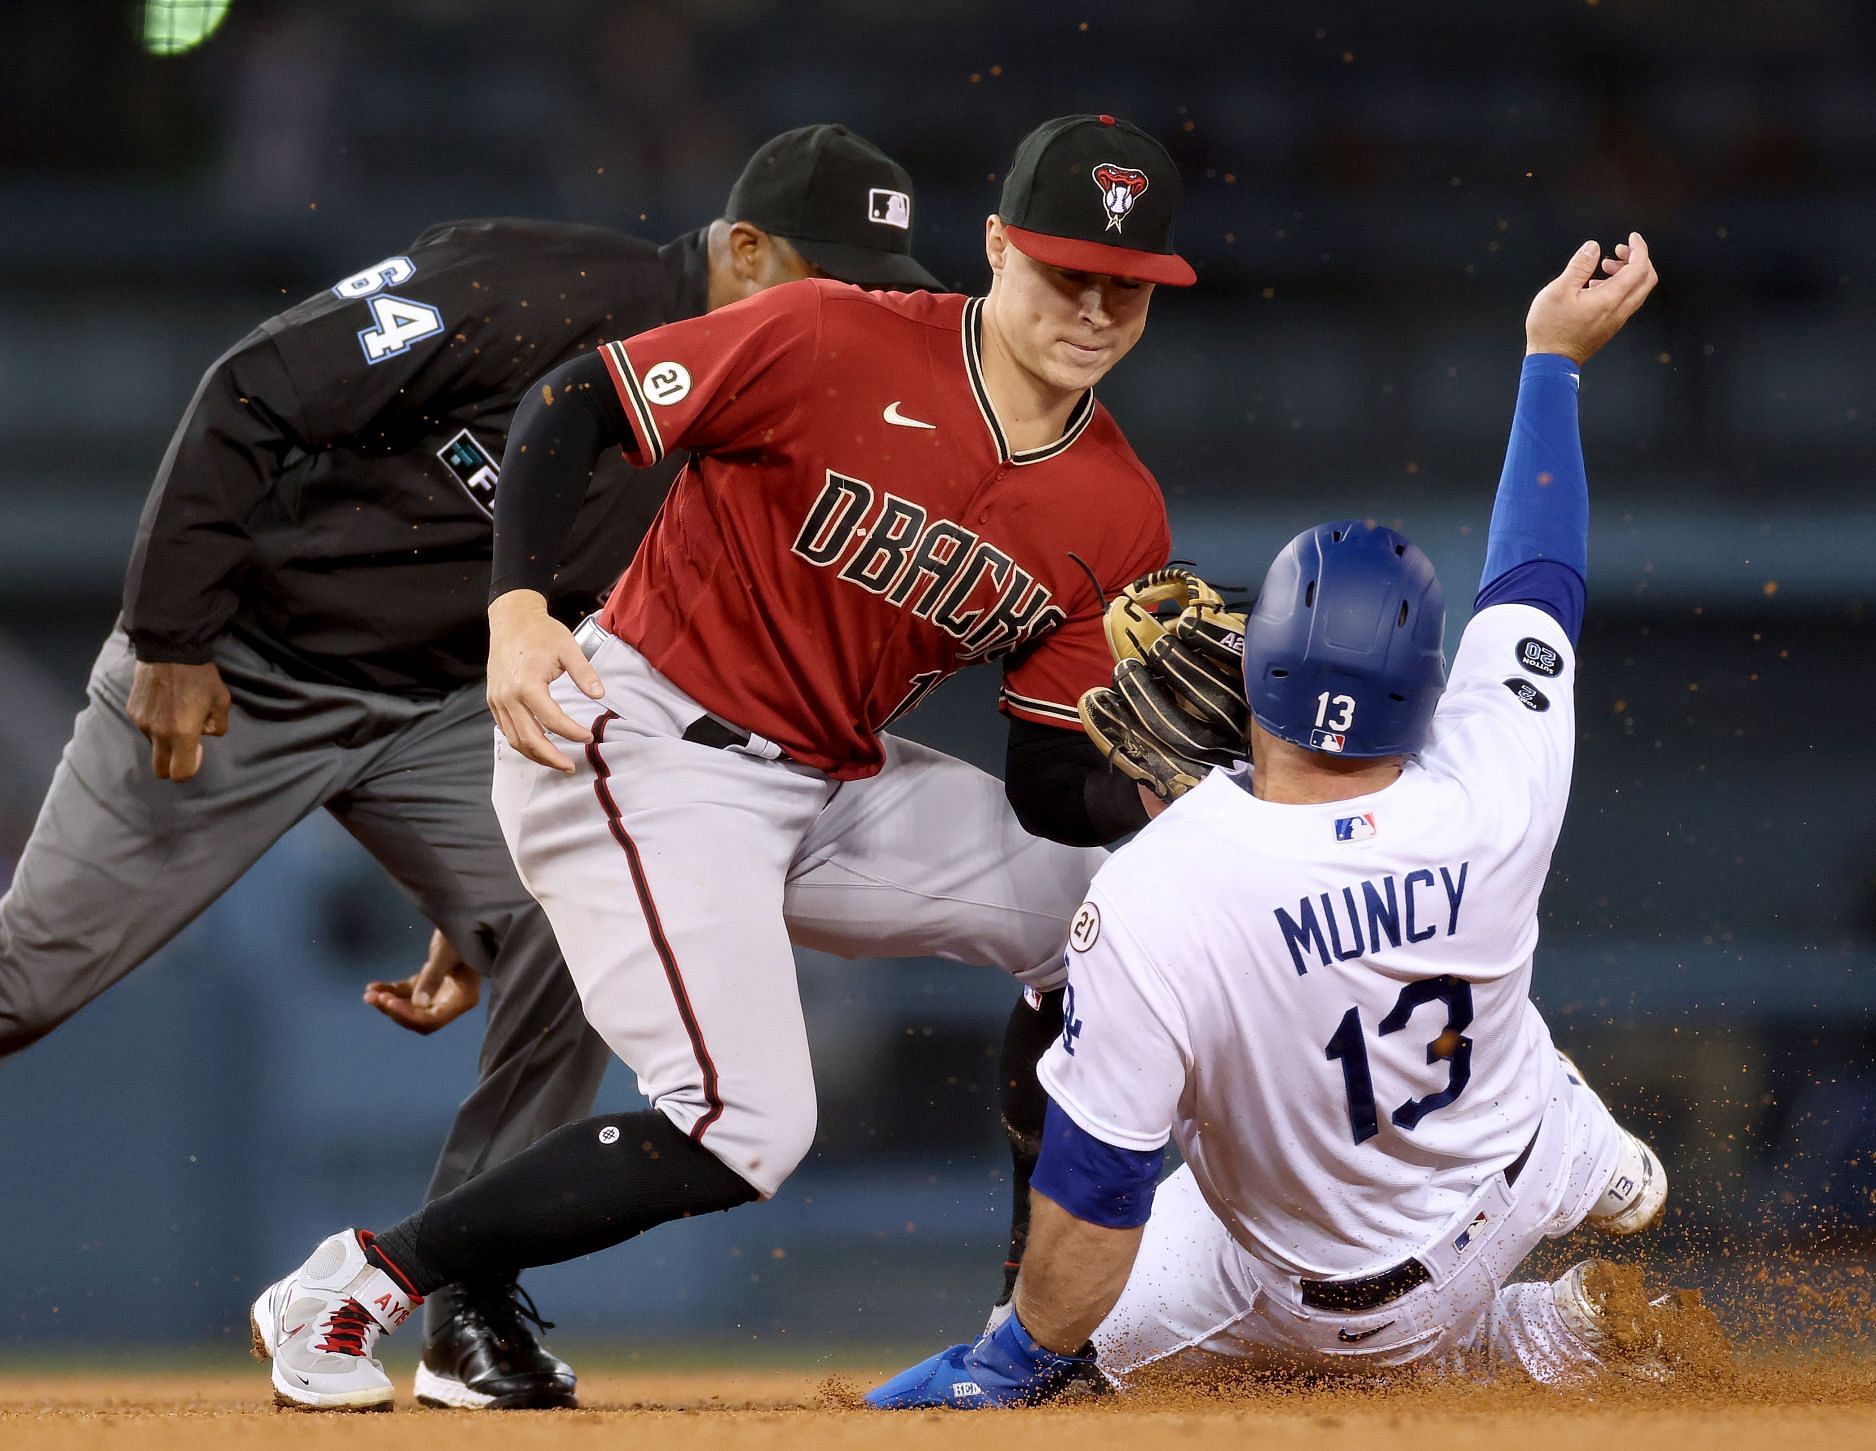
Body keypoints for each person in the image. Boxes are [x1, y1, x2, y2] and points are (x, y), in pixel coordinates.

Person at [248, 112, 1200, 1412]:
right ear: (994, 249)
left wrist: (1163, 786)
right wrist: (519, 608)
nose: (1094, 305)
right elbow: (570, 401)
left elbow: (1048, 785)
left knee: (1109, 926)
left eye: (1127, 283)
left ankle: (1031, 1341)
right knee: (745, 1120)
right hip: (641, 736)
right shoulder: (833, 332)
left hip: (827, 779)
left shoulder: (1116, 507)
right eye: (1064, 269)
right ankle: (359, 1276)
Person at [0, 123, 939, 1411]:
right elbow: (249, 387)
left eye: (877, 285)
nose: (855, 307)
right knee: (27, 977)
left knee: (574, 912)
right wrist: (171, 631)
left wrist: (473, 881)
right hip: (243, 673)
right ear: (740, 248)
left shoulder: (769, 419)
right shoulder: (533, 285)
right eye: (829, 275)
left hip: (445, 712)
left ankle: (464, 1298)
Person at [866, 233, 1715, 1409]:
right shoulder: (1492, 770)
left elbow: (1101, 1185)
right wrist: (1550, 360)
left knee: (1087, 1360)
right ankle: (1590, 1182)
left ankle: (1538, 1339)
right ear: (1425, 688)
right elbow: (1538, 574)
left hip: (1331, 1289)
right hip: (1515, 1156)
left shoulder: (1163, 887)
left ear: (1253, 674)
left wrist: (1019, 1354)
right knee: (1501, 1046)